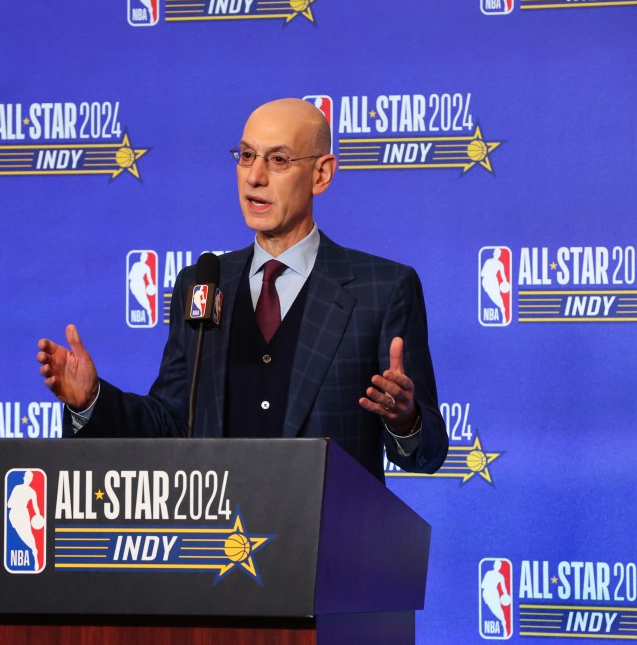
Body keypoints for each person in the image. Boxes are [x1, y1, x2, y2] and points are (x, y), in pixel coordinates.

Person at [37, 98, 447, 480]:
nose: (255, 176)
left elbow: (428, 453)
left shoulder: (382, 289)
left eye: (279, 160)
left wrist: (404, 420)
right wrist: (91, 400)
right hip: (216, 545)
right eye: (246, 156)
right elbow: (171, 424)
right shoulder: (203, 283)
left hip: (327, 546)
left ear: (320, 174)